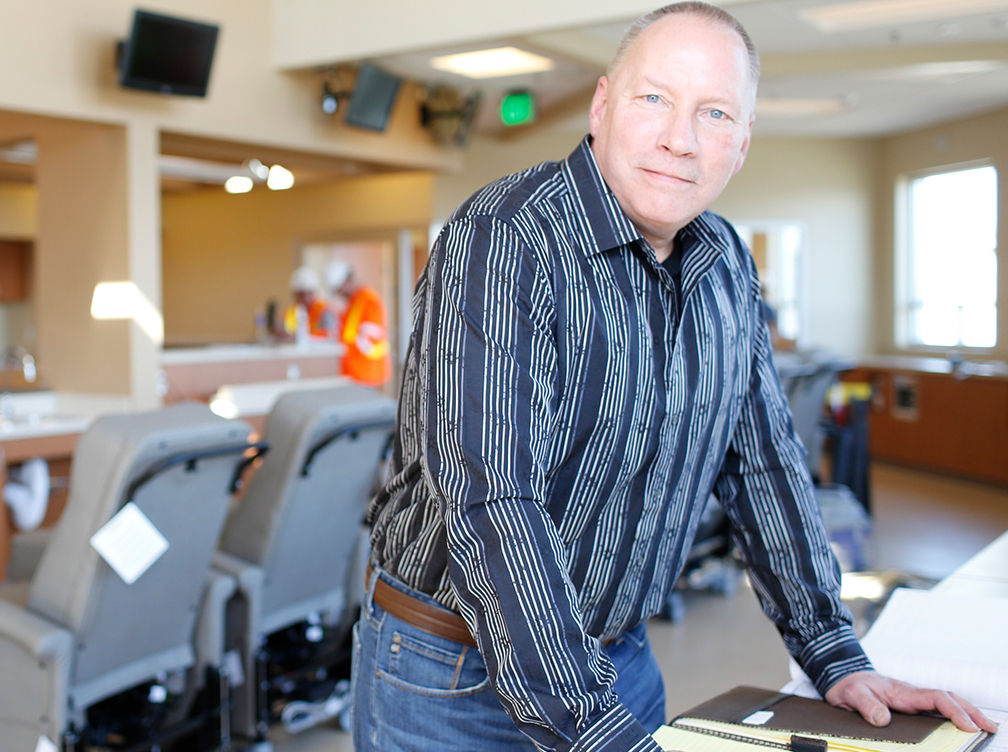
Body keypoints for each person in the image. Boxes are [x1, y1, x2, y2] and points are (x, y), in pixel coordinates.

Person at [351, 4, 996, 752]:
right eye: (653, 97)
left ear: (743, 141)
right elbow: (493, 501)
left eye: (714, 113)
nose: (678, 139)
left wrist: (833, 653)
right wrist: (596, 729)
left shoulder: (725, 263)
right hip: (449, 678)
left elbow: (763, 464)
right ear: (601, 106)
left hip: (616, 659)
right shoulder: (504, 242)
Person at [323, 259, 390, 387]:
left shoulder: (368, 300)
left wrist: (344, 346)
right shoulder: (352, 302)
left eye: (339, 289)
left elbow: (369, 342)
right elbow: (346, 332)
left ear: (347, 282)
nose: (338, 294)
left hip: (367, 373)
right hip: (353, 373)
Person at [283, 265, 336, 339]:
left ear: (312, 292)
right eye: (298, 294)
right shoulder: (291, 311)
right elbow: (285, 330)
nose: (300, 298)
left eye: (303, 294)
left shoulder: (323, 311)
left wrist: (298, 337)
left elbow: (329, 335)